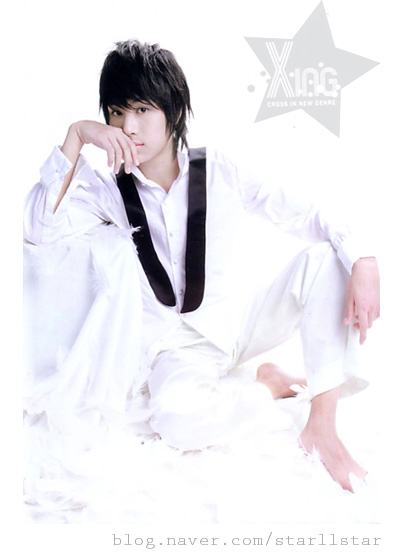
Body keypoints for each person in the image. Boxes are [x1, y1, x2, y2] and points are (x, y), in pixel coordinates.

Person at [23, 39, 380, 493]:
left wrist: (364, 259)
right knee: (177, 423)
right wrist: (77, 135)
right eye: (116, 112)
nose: (128, 126)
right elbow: (39, 229)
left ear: (173, 111)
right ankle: (268, 386)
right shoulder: (106, 191)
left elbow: (307, 212)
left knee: (329, 259)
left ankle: (322, 425)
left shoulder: (220, 168)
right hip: (175, 349)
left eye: (142, 109)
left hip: (238, 321)